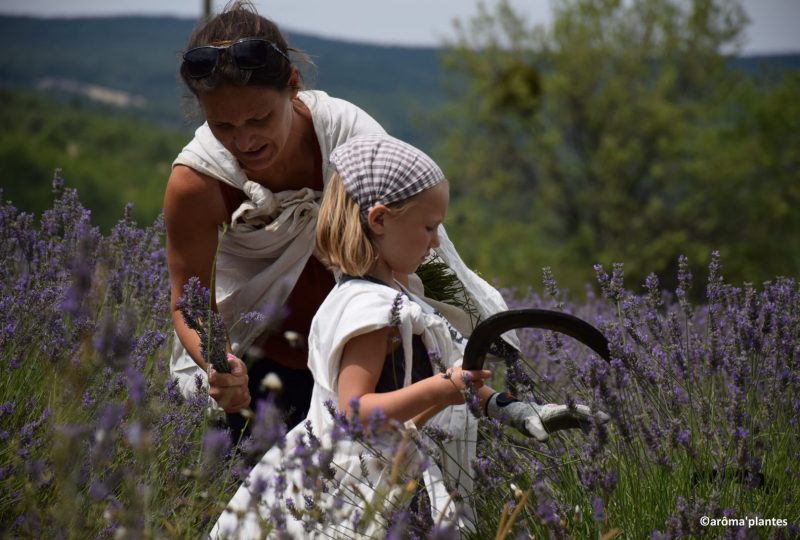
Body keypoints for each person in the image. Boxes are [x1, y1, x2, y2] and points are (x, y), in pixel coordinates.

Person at [211, 134, 608, 539]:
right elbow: (354, 411)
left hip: (387, 474)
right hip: (353, 488)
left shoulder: (394, 298)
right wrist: (440, 389)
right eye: (428, 227)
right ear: (380, 220)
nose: (436, 241)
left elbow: (445, 378)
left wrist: (511, 408)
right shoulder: (370, 310)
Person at [164, 0, 388, 431]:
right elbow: (188, 301)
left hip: (369, 363)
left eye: (260, 118)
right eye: (223, 127)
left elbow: (408, 246)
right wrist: (219, 363)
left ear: (293, 84)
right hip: (261, 366)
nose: (244, 140)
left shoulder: (351, 140)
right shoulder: (196, 182)